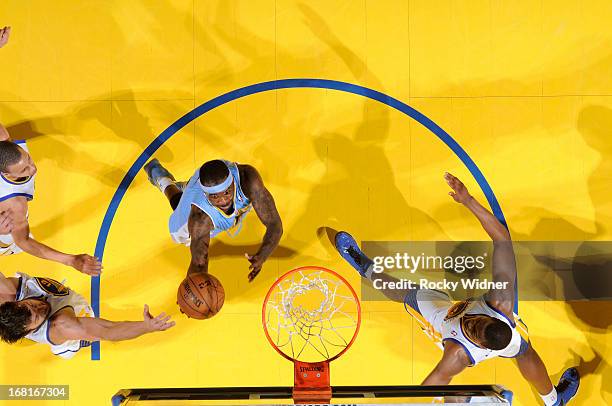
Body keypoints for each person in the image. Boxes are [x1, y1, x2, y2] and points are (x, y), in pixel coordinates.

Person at [334, 172, 579, 406]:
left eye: (472, 328)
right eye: (477, 320)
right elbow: (502, 240)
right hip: (471, 315)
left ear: (480, 345)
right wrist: (468, 200)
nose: (470, 322)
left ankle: (554, 401)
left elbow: (426, 390)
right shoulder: (500, 300)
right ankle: (554, 402)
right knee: (521, 349)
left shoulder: (457, 354)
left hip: (444, 323)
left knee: (404, 293)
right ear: (490, 315)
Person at [144, 158, 282, 281]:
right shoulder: (199, 217)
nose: (222, 200)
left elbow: (274, 224)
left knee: (229, 210)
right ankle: (163, 179)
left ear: (233, 182)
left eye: (227, 192)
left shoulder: (248, 180)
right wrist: (191, 297)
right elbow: (199, 263)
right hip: (200, 203)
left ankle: (189, 186)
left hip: (213, 175)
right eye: (215, 197)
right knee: (180, 224)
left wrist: (263, 255)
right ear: (206, 194)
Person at [0, 269, 174, 358]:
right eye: (37, 316)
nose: (40, 307)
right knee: (88, 334)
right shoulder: (61, 325)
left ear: (16, 302)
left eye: (32, 304)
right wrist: (146, 327)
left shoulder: (8, 294)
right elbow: (108, 330)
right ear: (31, 331)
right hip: (71, 321)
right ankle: (76, 344)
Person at [0, 125, 101, 275]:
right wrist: (71, 260)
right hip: (4, 237)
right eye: (23, 170)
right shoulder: (15, 205)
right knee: (13, 241)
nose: (32, 169)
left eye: (28, 160)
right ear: (6, 174)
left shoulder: (3, 138)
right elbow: (24, 241)